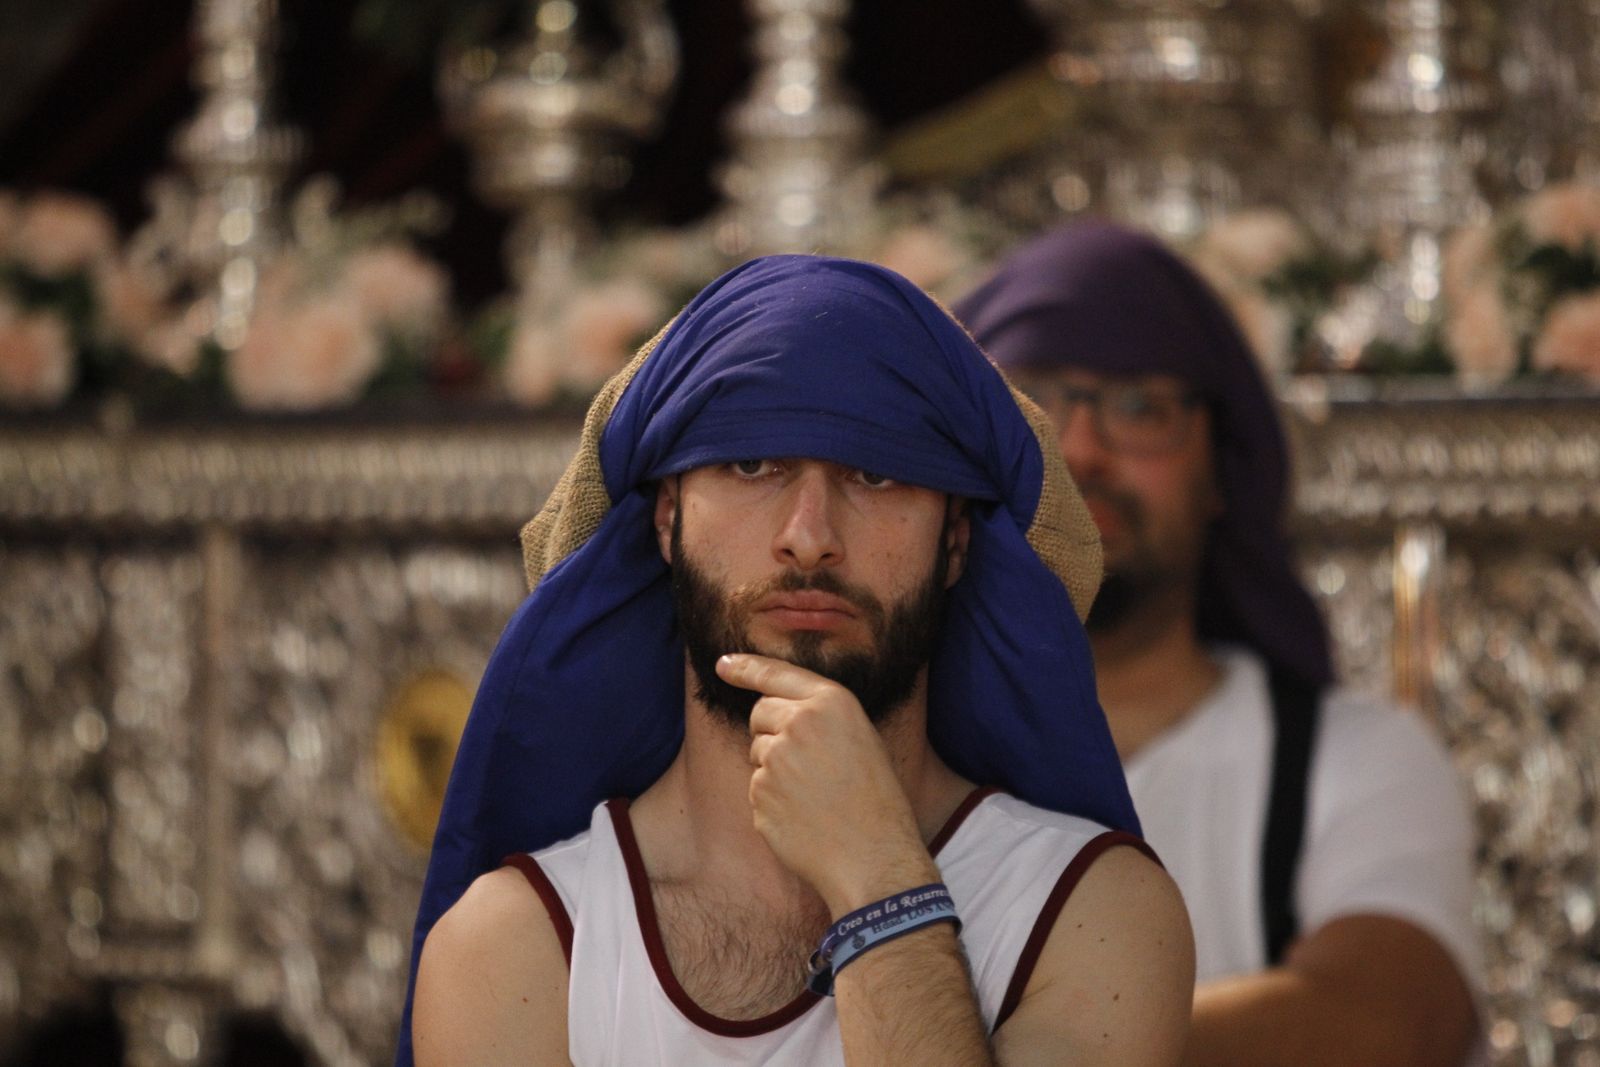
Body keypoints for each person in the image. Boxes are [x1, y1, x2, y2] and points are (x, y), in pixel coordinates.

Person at [400, 255, 1194, 1065]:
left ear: (955, 538)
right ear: (667, 520)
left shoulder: (1091, 908)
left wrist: (877, 875)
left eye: (876, 473)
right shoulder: (517, 945)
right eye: (751, 464)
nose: (810, 535)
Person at [955, 220, 1484, 1067]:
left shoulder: (1349, 757)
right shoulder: (887, 746)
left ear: (1219, 472)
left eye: (1141, 407)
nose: (1083, 448)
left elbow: (1391, 1022)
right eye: (1039, 399)